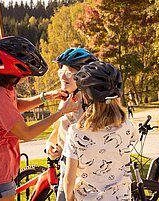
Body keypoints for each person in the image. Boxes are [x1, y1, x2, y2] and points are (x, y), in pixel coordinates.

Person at [0, 36, 79, 201]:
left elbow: (14, 106)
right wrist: (61, 112)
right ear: (12, 71)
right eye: (25, 74)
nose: (27, 78)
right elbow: (26, 133)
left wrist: (45, 97)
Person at [63, 61, 140, 201]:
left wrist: (69, 197)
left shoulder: (75, 132)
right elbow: (135, 137)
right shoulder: (127, 126)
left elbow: (69, 178)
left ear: (86, 97)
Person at [44, 47, 98, 201]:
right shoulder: (66, 100)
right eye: (61, 72)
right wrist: (51, 143)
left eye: (68, 73)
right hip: (66, 163)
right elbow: (59, 129)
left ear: (83, 77)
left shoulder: (92, 105)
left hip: (85, 170)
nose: (62, 77)